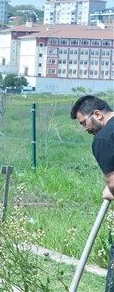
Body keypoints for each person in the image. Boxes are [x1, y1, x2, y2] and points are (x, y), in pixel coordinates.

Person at [70, 95, 114, 291]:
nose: (85, 129)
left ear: (97, 114)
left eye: (84, 123)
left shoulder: (104, 139)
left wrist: (110, 189)